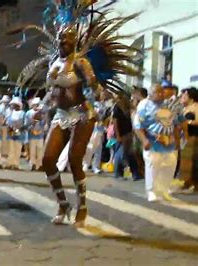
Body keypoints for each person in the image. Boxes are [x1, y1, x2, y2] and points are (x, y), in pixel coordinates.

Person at [17, 1, 141, 227]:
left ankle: (82, 205)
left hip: (83, 115)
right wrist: (41, 109)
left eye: (68, 40)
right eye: (61, 40)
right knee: (47, 160)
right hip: (61, 115)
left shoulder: (82, 63)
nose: (64, 43)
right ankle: (63, 203)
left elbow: (92, 88)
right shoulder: (54, 64)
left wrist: (100, 100)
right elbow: (52, 95)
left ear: (75, 42)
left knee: (75, 160)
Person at [134, 84, 181, 202]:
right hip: (153, 141)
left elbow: (175, 124)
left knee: (169, 166)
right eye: (157, 92)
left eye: (161, 92)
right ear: (150, 94)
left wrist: (177, 140)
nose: (160, 94)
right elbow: (138, 126)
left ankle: (163, 190)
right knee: (153, 166)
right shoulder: (144, 105)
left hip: (169, 142)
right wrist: (144, 140)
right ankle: (151, 191)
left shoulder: (169, 104)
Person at [112, 94, 143, 180]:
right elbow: (115, 121)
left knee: (130, 154)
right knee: (120, 153)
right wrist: (118, 135)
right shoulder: (117, 107)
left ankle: (135, 173)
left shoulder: (127, 107)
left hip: (128, 133)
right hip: (121, 134)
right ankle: (118, 173)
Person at [178, 87, 198, 192]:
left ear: (191, 97)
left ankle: (194, 183)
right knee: (185, 160)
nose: (182, 97)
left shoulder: (196, 107)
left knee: (192, 161)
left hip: (194, 137)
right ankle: (187, 182)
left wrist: (187, 122)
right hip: (184, 136)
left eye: (185, 95)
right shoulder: (184, 108)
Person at [25, 97, 45, 171]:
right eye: (35, 105)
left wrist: (41, 122)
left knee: (40, 150)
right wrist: (32, 124)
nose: (36, 106)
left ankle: (39, 164)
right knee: (32, 150)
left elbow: (44, 124)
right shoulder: (28, 113)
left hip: (40, 134)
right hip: (31, 134)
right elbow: (26, 124)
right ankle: (32, 164)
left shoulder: (42, 114)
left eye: (37, 105)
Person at [6, 97, 25, 170]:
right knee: (11, 149)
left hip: (19, 133)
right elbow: (8, 122)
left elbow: (24, 123)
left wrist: (19, 128)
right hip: (11, 132)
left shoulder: (22, 113)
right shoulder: (10, 113)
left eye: (14, 104)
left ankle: (16, 164)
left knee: (17, 148)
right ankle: (10, 163)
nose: (13, 106)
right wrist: (10, 128)